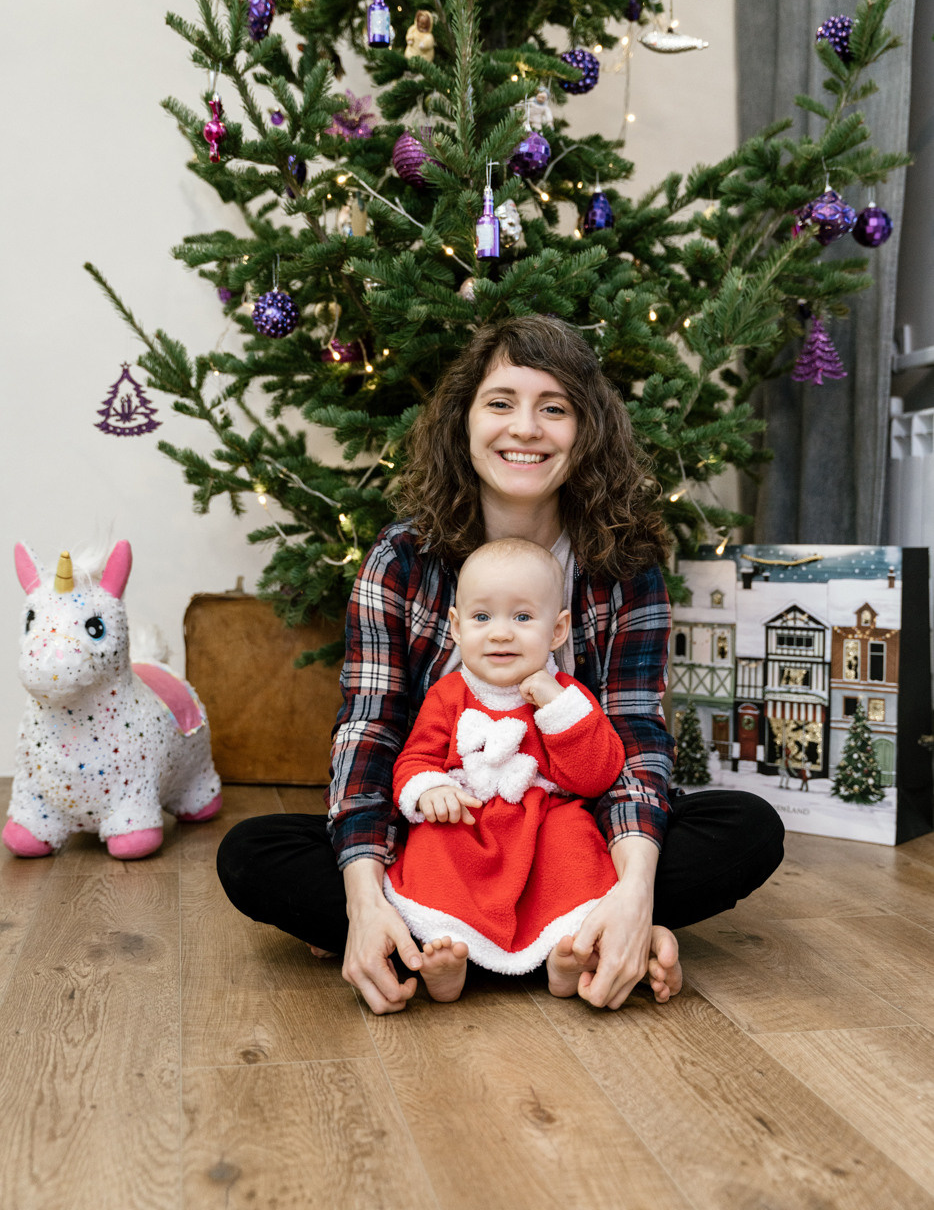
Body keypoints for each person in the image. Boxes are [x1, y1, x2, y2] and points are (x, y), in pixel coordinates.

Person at [216, 314, 784, 1016]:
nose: (525, 428)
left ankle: (551, 931)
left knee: (747, 828)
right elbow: (371, 737)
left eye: (555, 408)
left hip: (566, 845)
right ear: (464, 422)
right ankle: (513, 939)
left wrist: (634, 894)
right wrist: (363, 896)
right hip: (443, 845)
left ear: (587, 431)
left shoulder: (622, 567)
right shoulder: (403, 560)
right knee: (253, 853)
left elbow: (635, 743)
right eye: (501, 403)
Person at [387, 535, 672, 1005]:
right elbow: (414, 758)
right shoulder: (448, 694)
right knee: (434, 846)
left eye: (522, 618)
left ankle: (568, 952)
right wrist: (429, 789)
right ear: (456, 627)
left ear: (557, 630)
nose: (501, 633)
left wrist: (557, 709)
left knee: (575, 844)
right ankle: (445, 950)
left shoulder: (567, 697)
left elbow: (598, 776)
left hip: (541, 824)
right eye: (482, 617)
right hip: (469, 819)